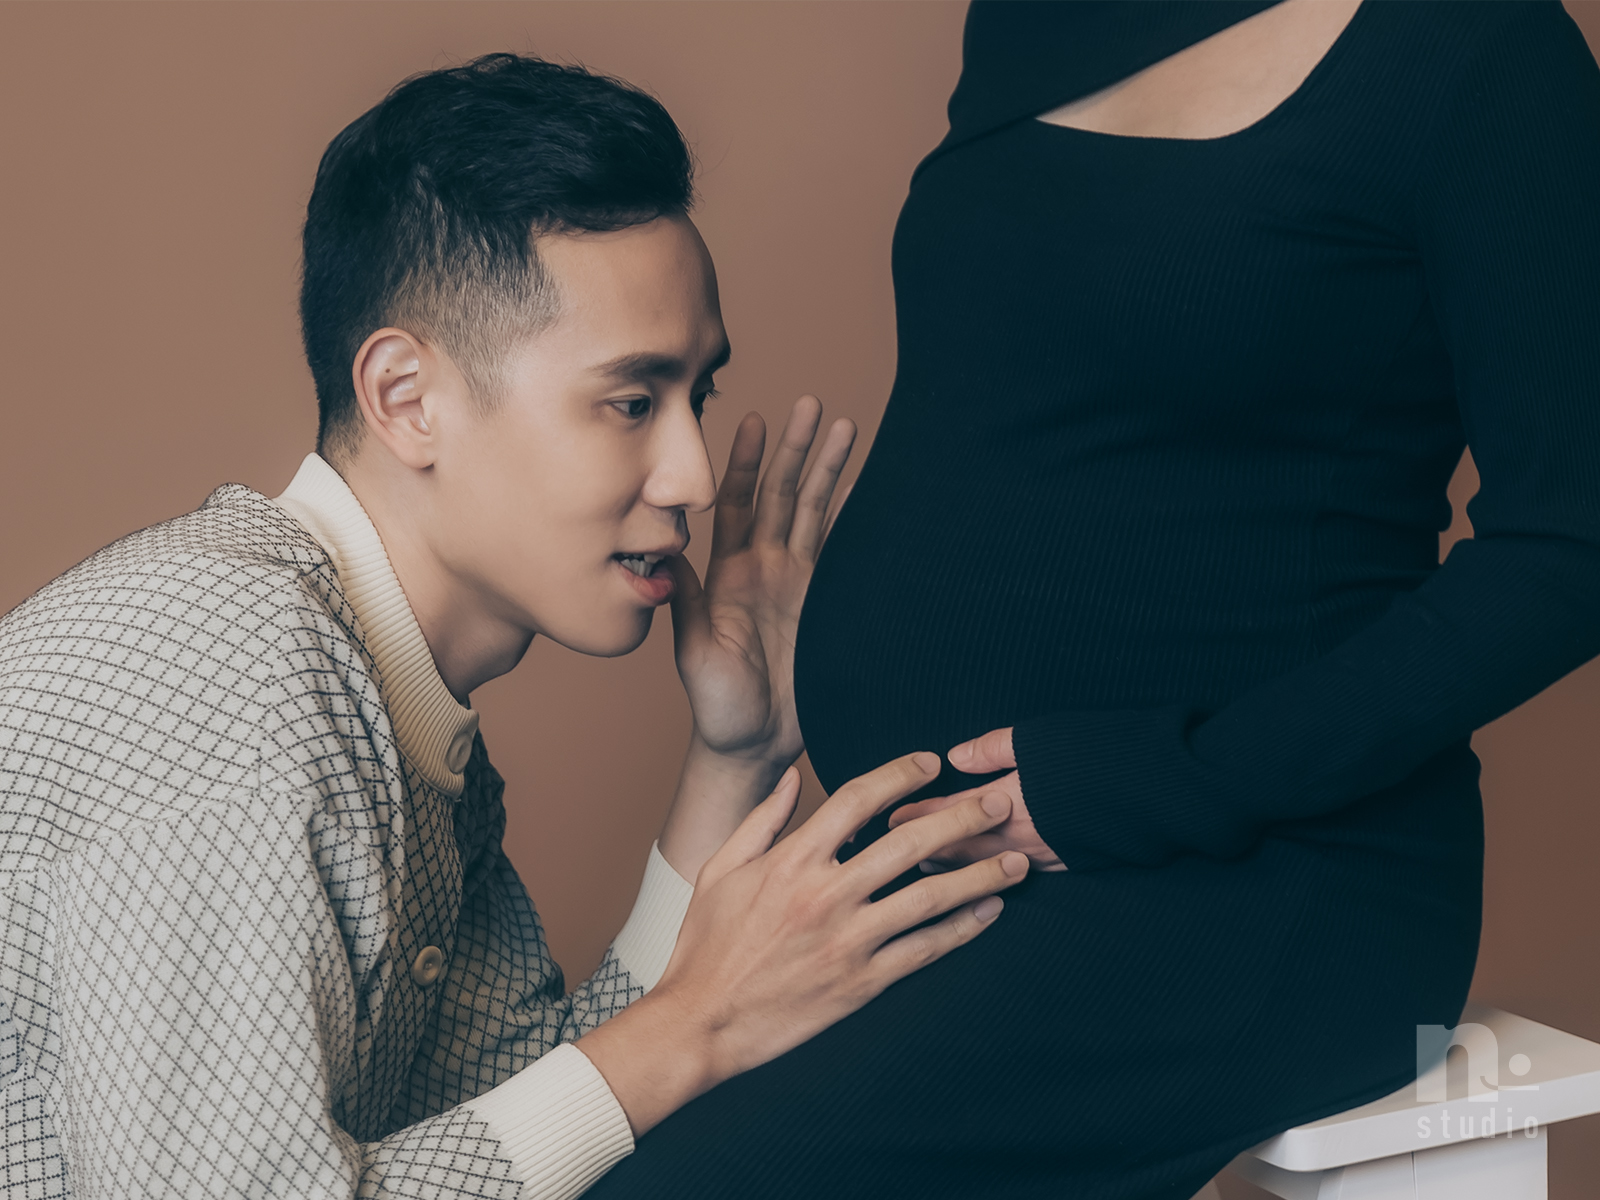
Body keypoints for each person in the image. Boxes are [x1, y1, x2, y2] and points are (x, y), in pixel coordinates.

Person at [584, 2, 1600, 1197]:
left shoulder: (1476, 48)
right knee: (583, 1143)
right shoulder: (1038, 15)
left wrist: (1161, 778)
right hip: (926, 861)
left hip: (1251, 875)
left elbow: (1569, 546)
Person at [0, 56, 1030, 1199]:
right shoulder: (216, 665)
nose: (691, 476)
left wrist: (733, 756)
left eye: (695, 399)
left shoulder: (388, 716)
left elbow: (523, 1129)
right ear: (407, 401)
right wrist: (702, 1020)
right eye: (630, 402)